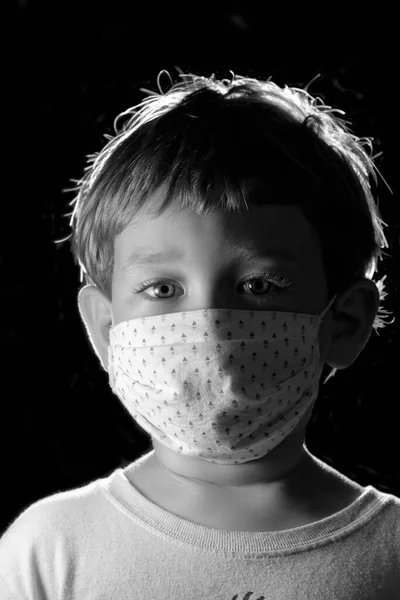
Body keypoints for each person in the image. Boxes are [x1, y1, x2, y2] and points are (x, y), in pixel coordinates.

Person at [0, 68, 398, 599]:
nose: (209, 326)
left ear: (345, 322)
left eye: (258, 285)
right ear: (105, 331)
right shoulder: (50, 550)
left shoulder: (392, 551)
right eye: (163, 289)